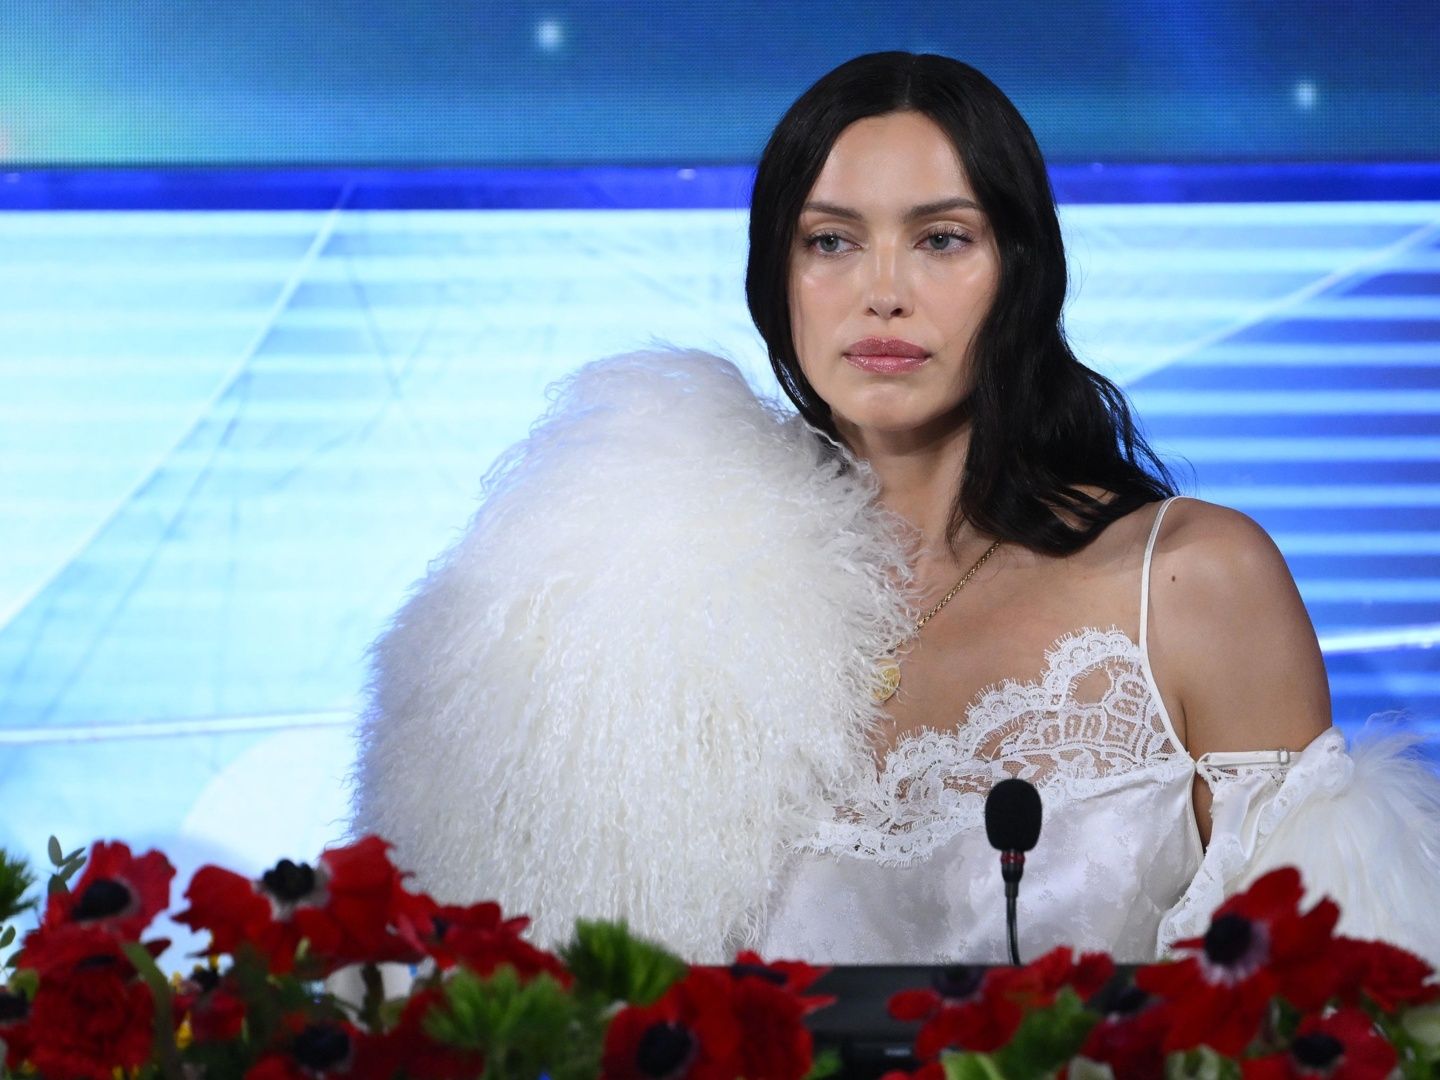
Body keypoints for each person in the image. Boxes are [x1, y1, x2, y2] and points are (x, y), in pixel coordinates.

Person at [352, 52, 1440, 966]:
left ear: (1021, 270)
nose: (882, 292)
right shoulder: (628, 601)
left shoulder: (1191, 580)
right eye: (830, 240)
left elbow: (1322, 1010)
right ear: (775, 277)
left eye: (940, 238)